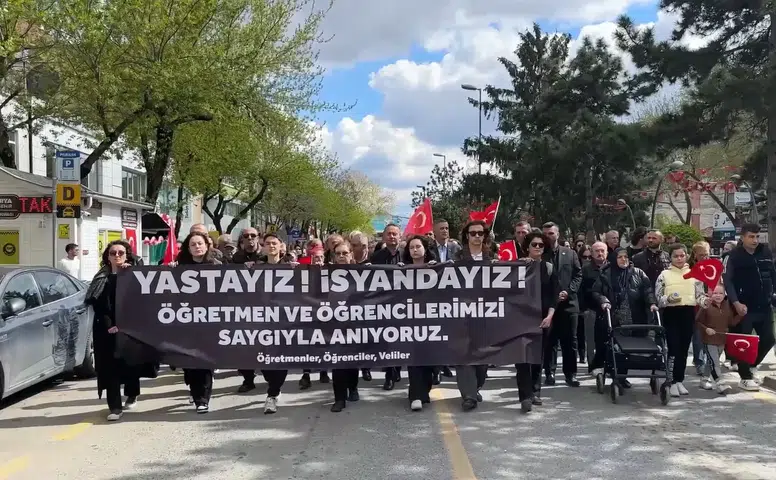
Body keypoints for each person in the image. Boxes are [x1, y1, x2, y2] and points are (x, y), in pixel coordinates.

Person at [84, 240, 142, 421]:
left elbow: (141, 299)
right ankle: (115, 407)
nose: (117, 256)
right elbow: (98, 303)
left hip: (131, 328)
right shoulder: (102, 277)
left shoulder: (134, 274)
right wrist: (110, 325)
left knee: (130, 364)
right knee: (110, 369)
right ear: (107, 257)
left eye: (121, 253)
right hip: (107, 328)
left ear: (127, 255)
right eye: (113, 253)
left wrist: (127, 274)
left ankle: (132, 394)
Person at [591, 247, 658, 386]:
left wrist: (652, 303)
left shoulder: (638, 273)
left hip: (635, 316)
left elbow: (648, 290)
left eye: (626, 257)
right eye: (620, 257)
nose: (624, 259)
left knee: (630, 347)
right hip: (615, 317)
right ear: (614, 259)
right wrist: (603, 301)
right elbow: (596, 292)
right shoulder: (606, 274)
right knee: (616, 347)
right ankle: (616, 375)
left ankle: (622, 376)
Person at [723, 223, 776, 391]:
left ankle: (751, 365)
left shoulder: (765, 251)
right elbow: (728, 281)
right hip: (744, 307)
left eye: (757, 236)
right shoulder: (734, 256)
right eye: (751, 236)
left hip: (765, 305)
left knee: (768, 339)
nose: (755, 240)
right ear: (743, 237)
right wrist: (736, 302)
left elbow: (772, 274)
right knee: (744, 342)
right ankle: (745, 377)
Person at [655, 243, 708, 397]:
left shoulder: (694, 274)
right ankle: (670, 381)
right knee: (673, 348)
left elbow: (699, 295)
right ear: (670, 257)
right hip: (671, 314)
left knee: (684, 350)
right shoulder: (664, 275)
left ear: (686, 256)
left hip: (688, 314)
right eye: (675, 256)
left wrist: (705, 301)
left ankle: (679, 380)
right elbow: (658, 298)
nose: (679, 258)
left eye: (682, 255)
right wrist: (668, 299)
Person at [176, 232, 220, 413]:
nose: (197, 247)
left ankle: (202, 399)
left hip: (210, 321)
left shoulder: (217, 267)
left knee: (205, 361)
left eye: (200, 243)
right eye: (193, 244)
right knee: (190, 362)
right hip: (186, 321)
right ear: (188, 248)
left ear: (207, 246)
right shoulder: (180, 268)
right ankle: (195, 392)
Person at [516, 232, 557, 413]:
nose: (538, 247)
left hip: (543, 318)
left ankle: (535, 392)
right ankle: (525, 396)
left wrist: (549, 316)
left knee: (537, 358)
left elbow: (554, 295)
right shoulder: (518, 266)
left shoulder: (548, 268)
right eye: (534, 244)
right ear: (527, 247)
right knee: (522, 358)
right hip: (520, 318)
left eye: (541, 245)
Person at [453, 220, 492, 411]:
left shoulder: (491, 256)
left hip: (486, 313)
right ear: (466, 236)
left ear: (485, 235)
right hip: (462, 313)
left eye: (480, 233)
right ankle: (468, 396)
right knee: (464, 353)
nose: (477, 236)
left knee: (482, 357)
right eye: (473, 233)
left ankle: (475, 386)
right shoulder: (458, 256)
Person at [541, 222, 582, 387]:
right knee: (549, 341)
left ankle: (570, 374)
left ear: (557, 234)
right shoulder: (541, 254)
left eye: (551, 233)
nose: (548, 237)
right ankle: (549, 373)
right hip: (548, 305)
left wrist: (569, 291)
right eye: (545, 234)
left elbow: (578, 275)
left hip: (569, 304)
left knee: (569, 341)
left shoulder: (570, 254)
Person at [402, 235, 438, 411]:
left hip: (432, 321)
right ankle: (415, 395)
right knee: (414, 357)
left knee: (430, 360)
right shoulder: (401, 270)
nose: (415, 250)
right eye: (411, 247)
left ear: (425, 249)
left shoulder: (437, 268)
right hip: (410, 321)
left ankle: (425, 391)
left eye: (418, 246)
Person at [328, 239, 361, 412]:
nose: (341, 256)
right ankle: (339, 398)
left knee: (352, 360)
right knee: (338, 361)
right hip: (334, 325)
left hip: (355, 324)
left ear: (351, 255)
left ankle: (353, 387)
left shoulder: (360, 274)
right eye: (338, 254)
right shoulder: (324, 274)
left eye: (345, 253)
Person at [371, 224, 404, 390]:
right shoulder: (376, 257)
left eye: (395, 234)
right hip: (384, 305)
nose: (392, 237)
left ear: (400, 236)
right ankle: (389, 375)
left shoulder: (408, 255)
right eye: (389, 234)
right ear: (384, 237)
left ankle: (397, 368)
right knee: (389, 341)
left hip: (405, 306)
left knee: (401, 341)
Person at [695, 283, 738, 394]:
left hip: (721, 340)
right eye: (715, 293)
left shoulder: (727, 306)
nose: (718, 295)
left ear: (724, 295)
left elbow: (732, 322)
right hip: (709, 340)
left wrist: (741, 314)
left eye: (720, 293)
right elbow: (697, 321)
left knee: (711, 362)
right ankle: (720, 384)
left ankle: (704, 380)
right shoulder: (706, 305)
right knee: (715, 362)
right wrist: (706, 329)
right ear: (710, 294)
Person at [578, 242, 608, 370]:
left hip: (608, 310)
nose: (600, 253)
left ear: (606, 252)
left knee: (607, 339)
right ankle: (593, 366)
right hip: (590, 310)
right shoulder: (585, 269)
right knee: (591, 340)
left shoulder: (612, 268)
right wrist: (582, 309)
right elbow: (580, 291)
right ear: (592, 253)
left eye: (602, 251)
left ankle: (608, 365)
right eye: (597, 251)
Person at [689, 241, 711, 376]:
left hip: (710, 305)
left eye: (706, 255)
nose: (704, 258)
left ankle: (706, 360)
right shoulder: (690, 269)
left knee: (707, 335)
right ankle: (699, 362)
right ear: (695, 255)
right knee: (698, 335)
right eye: (701, 255)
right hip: (695, 306)